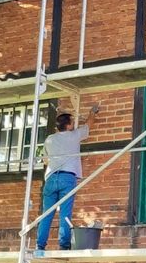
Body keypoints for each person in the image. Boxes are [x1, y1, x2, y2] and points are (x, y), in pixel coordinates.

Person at [36, 105, 99, 253]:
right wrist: (92, 112)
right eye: (72, 122)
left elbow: (45, 160)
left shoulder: (49, 139)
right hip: (67, 177)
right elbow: (88, 126)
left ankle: (40, 245)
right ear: (69, 125)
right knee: (65, 213)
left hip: (51, 178)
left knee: (47, 213)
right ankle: (64, 245)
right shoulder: (74, 135)